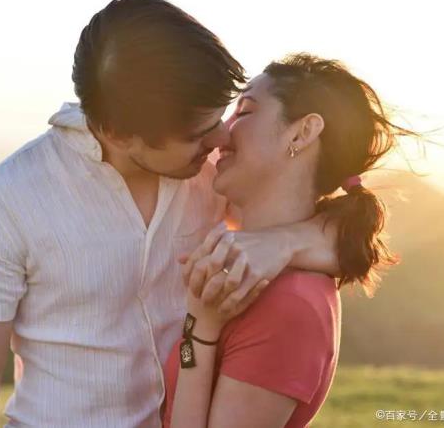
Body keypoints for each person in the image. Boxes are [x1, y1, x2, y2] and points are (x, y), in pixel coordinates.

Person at [0, 0, 338, 428]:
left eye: (220, 117)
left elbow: (344, 231)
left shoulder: (215, 173)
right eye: (198, 133)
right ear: (117, 133)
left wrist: (284, 243)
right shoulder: (4, 200)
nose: (221, 139)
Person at [163, 54, 417, 428]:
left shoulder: (291, 306)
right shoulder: (242, 263)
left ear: (301, 133)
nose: (222, 132)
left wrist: (198, 330)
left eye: (244, 112)